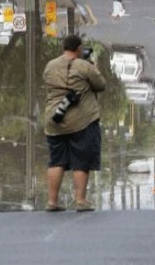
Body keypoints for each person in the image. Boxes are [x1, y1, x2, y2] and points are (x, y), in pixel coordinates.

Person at [42, 35, 106, 212]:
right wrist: (94, 68)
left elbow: (47, 84)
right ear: (78, 49)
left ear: (64, 48)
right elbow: (100, 85)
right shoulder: (84, 66)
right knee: (81, 159)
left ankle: (52, 202)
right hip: (82, 121)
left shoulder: (50, 66)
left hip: (54, 119)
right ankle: (80, 200)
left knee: (56, 161)